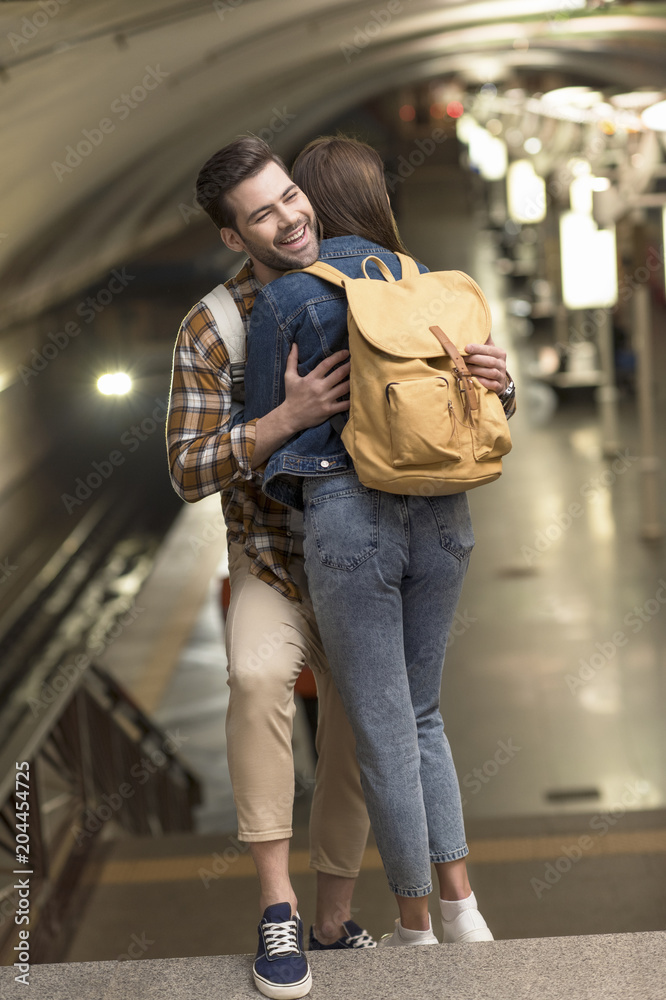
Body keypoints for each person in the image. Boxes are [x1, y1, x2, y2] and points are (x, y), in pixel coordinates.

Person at [244, 136, 516, 948]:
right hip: (444, 517)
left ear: (312, 205)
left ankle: (412, 924)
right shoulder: (432, 287)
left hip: (349, 522)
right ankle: (463, 909)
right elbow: (484, 408)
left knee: (381, 726)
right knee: (424, 714)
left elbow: (268, 445)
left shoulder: (290, 299)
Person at [166, 136, 375, 1000]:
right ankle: (278, 906)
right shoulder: (211, 328)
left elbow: (443, 394)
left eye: (290, 196)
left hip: (365, 555)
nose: (290, 218)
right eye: (263, 213)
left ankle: (333, 914)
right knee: (256, 678)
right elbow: (185, 469)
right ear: (233, 236)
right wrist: (281, 420)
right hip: (274, 561)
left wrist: (493, 383)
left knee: (364, 726)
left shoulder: (367, 278)